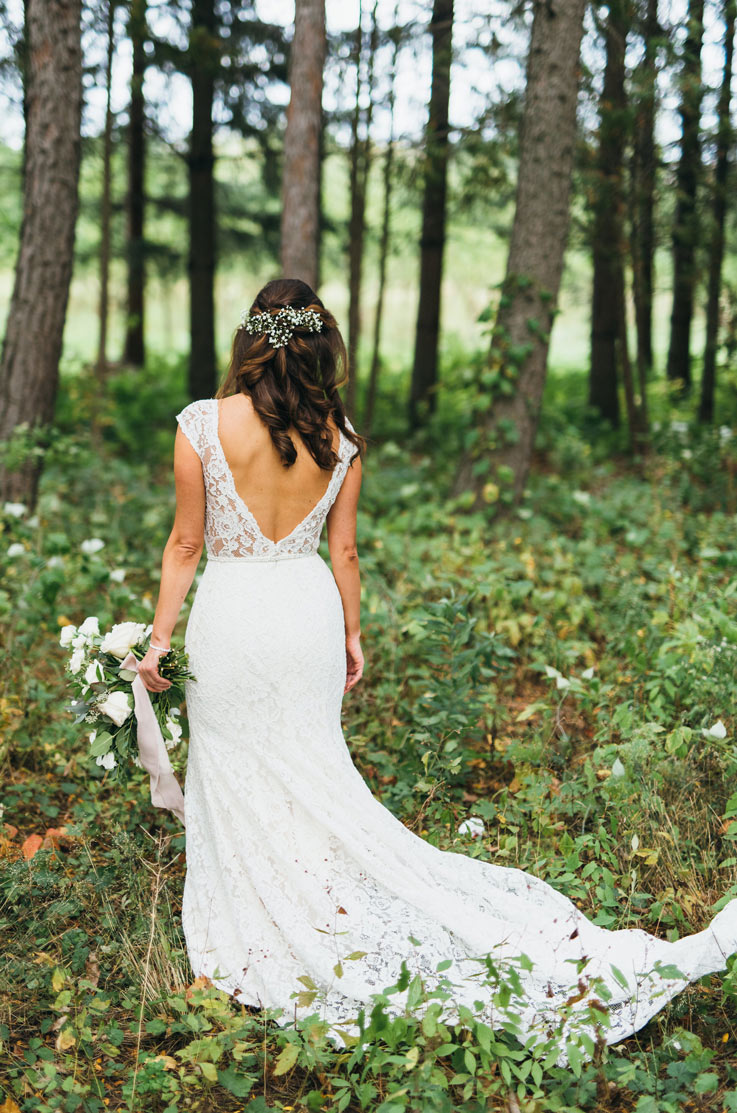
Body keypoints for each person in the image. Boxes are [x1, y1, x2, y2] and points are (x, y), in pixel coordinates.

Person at [137, 276, 737, 1058]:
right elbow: (344, 550)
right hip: (305, 615)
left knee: (243, 761)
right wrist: (352, 633)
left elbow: (186, 544)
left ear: (252, 338)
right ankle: (321, 893)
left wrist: (156, 641)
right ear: (319, 343)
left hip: (233, 618)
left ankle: (272, 909)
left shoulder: (202, 425)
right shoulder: (340, 436)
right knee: (313, 763)